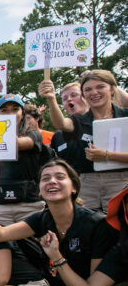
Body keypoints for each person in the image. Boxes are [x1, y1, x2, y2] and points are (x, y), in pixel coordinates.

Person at [40, 70, 128, 212]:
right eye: (88, 89)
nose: (94, 92)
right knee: (89, 227)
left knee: (121, 227)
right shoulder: (79, 120)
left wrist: (107, 156)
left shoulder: (124, 116)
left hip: (121, 181)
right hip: (87, 183)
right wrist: (51, 98)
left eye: (100, 87)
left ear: (112, 89)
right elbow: (61, 123)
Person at [0, 94, 46, 225]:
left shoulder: (34, 134)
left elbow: (15, 143)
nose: (10, 113)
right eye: (4, 110)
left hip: (29, 203)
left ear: (22, 113)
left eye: (15, 109)